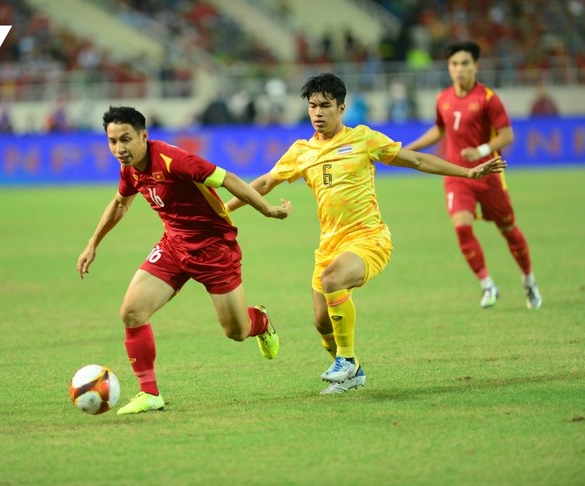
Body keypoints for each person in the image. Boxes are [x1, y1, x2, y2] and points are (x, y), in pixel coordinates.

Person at [226, 73, 505, 395]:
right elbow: (263, 183)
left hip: (369, 238)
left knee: (333, 281)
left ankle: (345, 359)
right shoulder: (301, 151)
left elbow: (416, 159)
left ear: (341, 108)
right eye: (312, 106)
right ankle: (353, 372)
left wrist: (467, 172)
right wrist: (224, 209)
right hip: (329, 244)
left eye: (325, 106)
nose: (317, 112)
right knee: (321, 323)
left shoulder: (363, 139)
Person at [77, 106, 292, 415]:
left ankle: (260, 321)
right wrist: (92, 243)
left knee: (236, 332)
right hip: (174, 246)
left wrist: (268, 210)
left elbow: (228, 178)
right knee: (132, 312)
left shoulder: (174, 160)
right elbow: (120, 203)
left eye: (125, 139)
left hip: (215, 249)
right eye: (112, 141)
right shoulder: (130, 168)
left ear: (144, 136)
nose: (119, 149)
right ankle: (149, 393)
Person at [405, 41, 543, 310]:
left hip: (489, 173)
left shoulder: (488, 98)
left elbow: (507, 135)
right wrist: (408, 149)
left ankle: (529, 281)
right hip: (457, 174)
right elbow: (439, 130)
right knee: (462, 227)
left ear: (476, 66)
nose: (459, 69)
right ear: (448, 68)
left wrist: (480, 149)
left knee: (509, 230)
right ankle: (487, 285)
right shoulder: (443, 98)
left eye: (465, 64)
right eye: (454, 64)